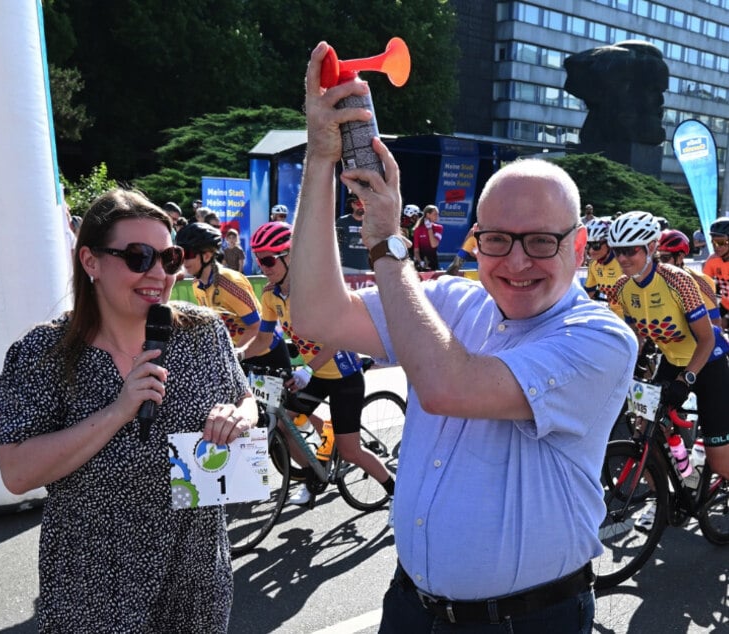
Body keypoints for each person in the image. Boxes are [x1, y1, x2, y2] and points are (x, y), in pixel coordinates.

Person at [290, 41, 637, 632]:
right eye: (497, 239)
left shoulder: (601, 339)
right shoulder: (453, 301)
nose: (517, 261)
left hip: (527, 619)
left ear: (578, 247)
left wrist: (387, 242)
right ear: (476, 238)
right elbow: (319, 316)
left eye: (542, 241)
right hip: (411, 607)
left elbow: (449, 386)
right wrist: (320, 161)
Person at [0, 188, 257, 632]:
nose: (157, 273)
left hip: (195, 582)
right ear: (90, 261)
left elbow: (243, 397)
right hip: (93, 589)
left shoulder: (204, 334)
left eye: (169, 258)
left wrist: (240, 417)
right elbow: (17, 473)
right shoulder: (44, 353)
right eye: (138, 256)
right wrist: (118, 410)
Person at [241, 220, 395, 506]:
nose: (263, 267)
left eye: (269, 260)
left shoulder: (318, 290)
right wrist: (236, 356)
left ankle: (394, 492)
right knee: (285, 424)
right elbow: (263, 339)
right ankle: (316, 474)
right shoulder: (269, 295)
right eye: (258, 260)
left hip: (343, 376)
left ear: (291, 257)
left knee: (351, 451)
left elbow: (340, 338)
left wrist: (308, 369)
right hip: (314, 375)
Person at [607, 212, 729, 484]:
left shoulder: (678, 281)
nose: (622, 258)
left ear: (651, 247)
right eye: (617, 251)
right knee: (644, 436)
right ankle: (667, 499)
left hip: (708, 362)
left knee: (720, 461)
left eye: (630, 250)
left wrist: (685, 380)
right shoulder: (623, 288)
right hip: (672, 360)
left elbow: (707, 338)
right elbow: (637, 337)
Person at [176, 222, 261, 356]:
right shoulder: (197, 285)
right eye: (180, 254)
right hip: (237, 351)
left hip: (263, 352)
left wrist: (232, 359)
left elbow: (256, 326)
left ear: (207, 256)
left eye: (188, 254)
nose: (183, 261)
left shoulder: (230, 283)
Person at [657, 229, 720, 326]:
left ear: (680, 257)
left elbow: (714, 323)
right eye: (656, 259)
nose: (659, 264)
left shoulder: (700, 282)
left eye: (664, 258)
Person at [582, 216, 623, 315]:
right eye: (588, 245)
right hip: (613, 315)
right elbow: (588, 294)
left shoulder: (623, 262)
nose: (591, 251)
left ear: (610, 243)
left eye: (596, 245)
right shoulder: (594, 265)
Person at [703, 217, 729, 330]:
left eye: (720, 242)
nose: (716, 246)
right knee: (708, 327)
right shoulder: (712, 260)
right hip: (725, 303)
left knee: (723, 323)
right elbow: (703, 285)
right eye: (713, 242)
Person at [336, 193, 369, 273]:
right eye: (358, 204)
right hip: (347, 267)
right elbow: (336, 243)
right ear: (352, 205)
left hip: (365, 267)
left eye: (363, 204)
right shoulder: (342, 221)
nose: (361, 207)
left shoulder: (371, 222)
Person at [411, 204, 443, 271]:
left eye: (438, 214)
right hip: (421, 263)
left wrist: (429, 229)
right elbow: (416, 250)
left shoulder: (439, 228)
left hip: (433, 262)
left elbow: (433, 244)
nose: (437, 216)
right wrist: (420, 262)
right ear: (428, 215)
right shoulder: (417, 230)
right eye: (435, 214)